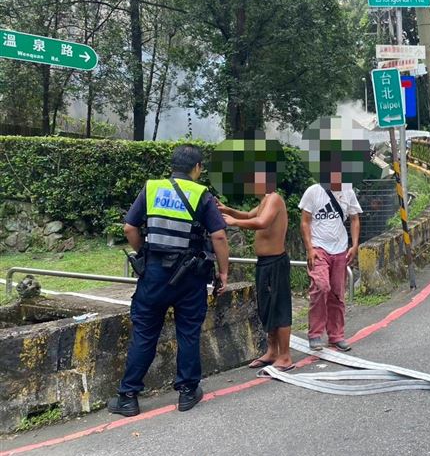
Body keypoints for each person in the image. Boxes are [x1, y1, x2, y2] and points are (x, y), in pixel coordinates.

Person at [109, 145, 229, 417]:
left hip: (153, 276)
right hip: (190, 277)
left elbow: (129, 227)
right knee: (188, 332)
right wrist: (223, 273)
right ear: (197, 167)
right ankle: (187, 392)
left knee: (144, 333)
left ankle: (128, 397)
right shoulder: (202, 195)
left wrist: (144, 253)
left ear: (173, 165)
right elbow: (219, 236)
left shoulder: (151, 189)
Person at [217, 191, 294, 372]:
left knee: (280, 307)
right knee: (266, 307)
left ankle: (285, 356)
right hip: (264, 264)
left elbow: (262, 222)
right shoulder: (265, 200)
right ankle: (272, 351)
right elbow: (249, 216)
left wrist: (234, 222)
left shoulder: (274, 198)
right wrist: (227, 210)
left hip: (276, 262)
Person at [299, 167, 362, 352]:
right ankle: (315, 334)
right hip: (319, 247)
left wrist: (355, 244)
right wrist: (309, 248)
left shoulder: (348, 191)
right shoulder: (314, 192)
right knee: (321, 287)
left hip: (340, 248)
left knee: (337, 292)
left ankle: (336, 335)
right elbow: (304, 221)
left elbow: (355, 219)